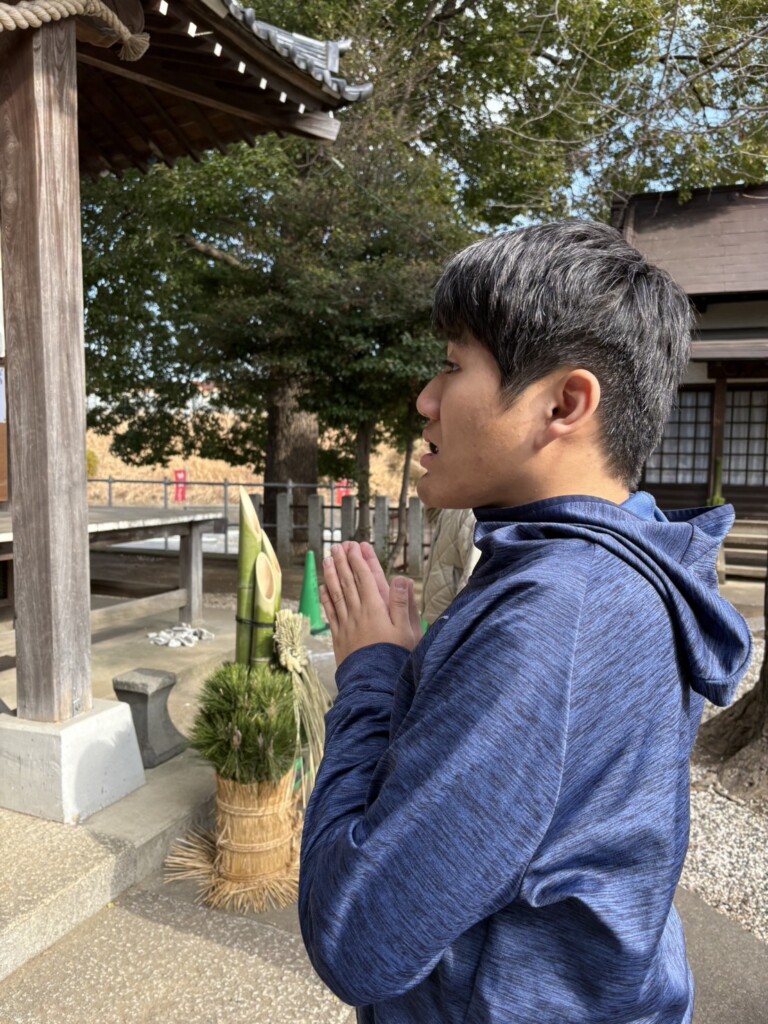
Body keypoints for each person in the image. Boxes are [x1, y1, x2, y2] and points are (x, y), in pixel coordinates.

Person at [298, 221, 752, 1024]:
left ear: (563, 403)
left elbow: (359, 938)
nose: (426, 399)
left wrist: (369, 674)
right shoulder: (625, 564)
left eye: (453, 366)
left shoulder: (556, 615)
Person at [421, 507, 480, 627]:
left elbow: (471, 578)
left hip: (450, 623)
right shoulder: (450, 509)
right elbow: (431, 513)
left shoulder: (471, 515)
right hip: (437, 615)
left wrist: (456, 627)